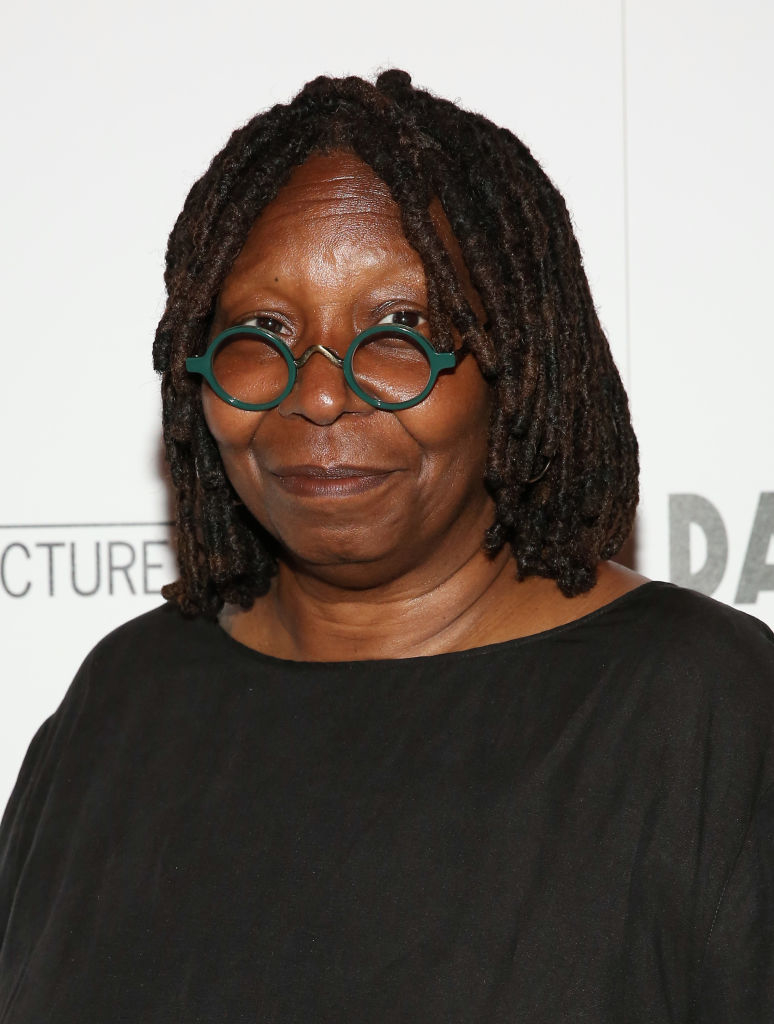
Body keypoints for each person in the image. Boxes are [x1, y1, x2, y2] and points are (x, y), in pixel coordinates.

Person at [0, 69, 772, 1023]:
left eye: (400, 326)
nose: (318, 394)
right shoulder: (121, 705)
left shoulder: (707, 710)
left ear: (516, 363)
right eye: (263, 329)